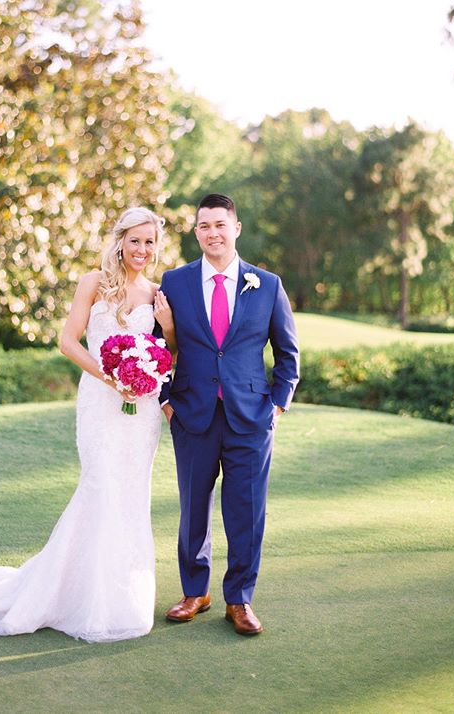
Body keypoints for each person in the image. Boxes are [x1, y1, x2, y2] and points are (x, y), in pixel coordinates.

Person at [0, 206, 174, 642]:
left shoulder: (157, 293)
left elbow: (171, 356)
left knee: (131, 495)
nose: (142, 250)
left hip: (141, 411)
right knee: (100, 486)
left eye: (150, 242)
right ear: (119, 240)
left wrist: (165, 328)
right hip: (99, 401)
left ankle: (120, 600)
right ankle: (67, 597)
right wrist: (110, 376)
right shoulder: (94, 283)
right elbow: (67, 341)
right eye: (135, 240)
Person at [158, 193, 299, 635]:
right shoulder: (175, 282)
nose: (212, 233)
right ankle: (194, 591)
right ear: (196, 232)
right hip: (192, 414)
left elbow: (288, 353)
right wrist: (165, 399)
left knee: (247, 510)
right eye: (204, 226)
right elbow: (157, 347)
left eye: (220, 225)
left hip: (250, 419)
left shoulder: (268, 284)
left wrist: (277, 403)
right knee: (192, 509)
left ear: (236, 228)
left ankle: (239, 599)